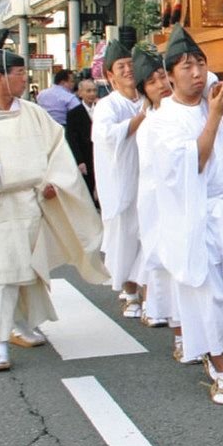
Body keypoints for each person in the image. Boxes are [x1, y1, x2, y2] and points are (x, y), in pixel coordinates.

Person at [0, 44, 107, 372]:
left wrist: (54, 181)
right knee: (0, 276)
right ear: (0, 77)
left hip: (32, 201)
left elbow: (57, 149)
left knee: (29, 270)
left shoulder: (33, 113)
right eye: (18, 73)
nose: (23, 78)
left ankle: (18, 325)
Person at [143, 26, 223, 404]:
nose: (196, 73)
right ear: (169, 75)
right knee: (209, 294)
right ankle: (222, 369)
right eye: (186, 67)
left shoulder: (217, 105)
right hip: (194, 217)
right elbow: (193, 163)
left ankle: (207, 344)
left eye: (201, 64)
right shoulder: (162, 121)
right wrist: (213, 117)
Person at [131, 49, 188, 363]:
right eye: (152, 82)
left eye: (163, 76)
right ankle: (180, 334)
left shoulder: (187, 109)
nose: (161, 84)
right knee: (169, 270)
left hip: (187, 200)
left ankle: (203, 333)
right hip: (160, 205)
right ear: (144, 90)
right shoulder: (150, 123)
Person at [92, 43, 148, 321]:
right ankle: (131, 293)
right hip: (123, 182)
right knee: (126, 240)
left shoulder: (148, 97)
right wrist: (140, 119)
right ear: (110, 76)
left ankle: (152, 294)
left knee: (151, 237)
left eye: (130, 64)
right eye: (120, 67)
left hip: (150, 179)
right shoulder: (107, 105)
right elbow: (107, 136)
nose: (127, 70)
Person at [65, 78, 98, 204]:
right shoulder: (74, 114)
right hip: (86, 156)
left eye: (94, 90)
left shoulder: (102, 109)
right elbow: (72, 138)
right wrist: (79, 161)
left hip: (101, 154)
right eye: (88, 91)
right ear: (80, 93)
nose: (92, 94)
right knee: (88, 188)